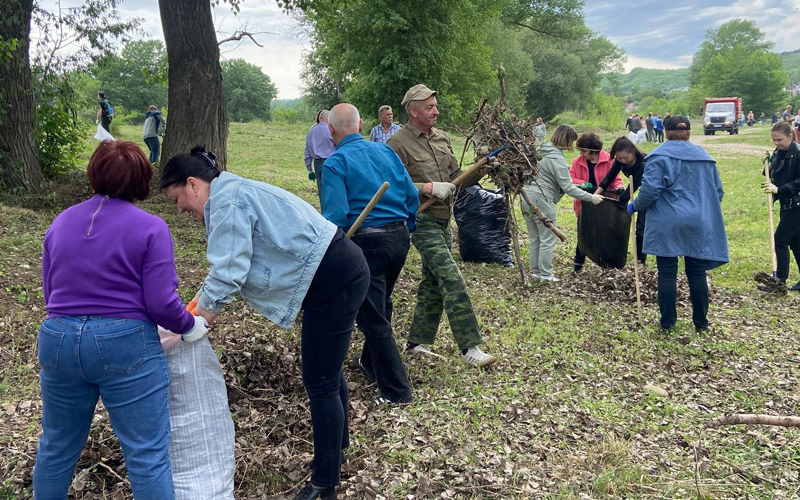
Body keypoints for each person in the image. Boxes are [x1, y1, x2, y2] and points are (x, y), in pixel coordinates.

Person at [160, 147, 369, 500]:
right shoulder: (231, 192)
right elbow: (222, 271)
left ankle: (324, 483)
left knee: (319, 382)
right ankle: (338, 450)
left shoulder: (227, 202)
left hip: (334, 277)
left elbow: (228, 273)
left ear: (193, 184)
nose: (180, 209)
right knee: (327, 374)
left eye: (177, 198)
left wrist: (195, 326)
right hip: (339, 269)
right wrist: (190, 310)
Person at [33, 140, 208, 499]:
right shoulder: (151, 227)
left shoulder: (61, 222)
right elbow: (160, 303)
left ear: (94, 175)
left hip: (58, 339)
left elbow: (51, 295)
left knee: (56, 447)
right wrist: (191, 325)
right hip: (123, 344)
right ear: (141, 180)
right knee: (146, 455)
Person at [387, 84, 497, 367]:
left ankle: (417, 343)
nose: (436, 111)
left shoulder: (442, 138)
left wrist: (480, 170)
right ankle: (470, 348)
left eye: (435, 106)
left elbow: (457, 178)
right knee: (450, 277)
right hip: (420, 220)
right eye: (429, 107)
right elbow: (389, 187)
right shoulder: (397, 144)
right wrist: (426, 187)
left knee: (433, 281)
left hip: (444, 220)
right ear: (413, 112)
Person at [321, 103, 417, 404]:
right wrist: (408, 227)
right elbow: (411, 195)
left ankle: (396, 391)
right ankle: (370, 364)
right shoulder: (386, 152)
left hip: (367, 245)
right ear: (361, 125)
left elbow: (336, 218)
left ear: (330, 130)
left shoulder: (335, 164)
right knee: (380, 304)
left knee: (372, 318)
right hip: (399, 240)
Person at [627, 117, 729, 332]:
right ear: (689, 133)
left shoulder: (659, 156)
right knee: (697, 273)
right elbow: (718, 192)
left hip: (667, 222)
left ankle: (667, 323)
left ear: (665, 132)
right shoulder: (705, 158)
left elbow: (649, 191)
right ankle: (701, 323)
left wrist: (634, 206)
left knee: (666, 273)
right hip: (699, 222)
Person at [520, 125, 603, 281]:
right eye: (571, 141)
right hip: (542, 199)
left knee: (534, 237)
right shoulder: (557, 160)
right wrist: (591, 198)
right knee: (547, 237)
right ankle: (546, 274)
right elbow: (568, 188)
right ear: (566, 140)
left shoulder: (537, 152)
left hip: (525, 197)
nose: (572, 145)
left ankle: (535, 272)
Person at [569, 133, 623, 272]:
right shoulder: (577, 162)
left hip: (605, 203)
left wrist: (618, 187)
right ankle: (578, 265)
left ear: (594, 151)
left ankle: (608, 265)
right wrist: (584, 184)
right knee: (584, 233)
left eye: (583, 150)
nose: (581, 153)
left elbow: (615, 178)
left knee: (606, 234)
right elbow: (570, 179)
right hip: (585, 202)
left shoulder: (610, 160)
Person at [595, 136, 649, 266]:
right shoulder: (620, 161)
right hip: (641, 188)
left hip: (649, 192)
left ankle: (640, 260)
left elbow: (633, 186)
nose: (623, 161)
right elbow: (610, 176)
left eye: (626, 158)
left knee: (641, 226)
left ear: (633, 152)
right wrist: (596, 194)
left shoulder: (643, 163)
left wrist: (621, 202)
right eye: (619, 158)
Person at [761, 120, 800, 291]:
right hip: (787, 204)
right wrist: (766, 164)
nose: (776, 143)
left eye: (780, 140)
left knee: (780, 239)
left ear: (790, 136)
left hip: (798, 204)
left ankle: (780, 281)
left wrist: (780, 189)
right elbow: (773, 172)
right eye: (774, 140)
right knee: (795, 241)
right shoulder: (778, 152)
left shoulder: (798, 153)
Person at [304, 110, 336, 201]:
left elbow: (307, 151)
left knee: (322, 191)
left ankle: (324, 212)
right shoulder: (332, 130)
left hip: (318, 164)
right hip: (332, 162)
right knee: (334, 190)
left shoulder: (311, 131)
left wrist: (310, 169)